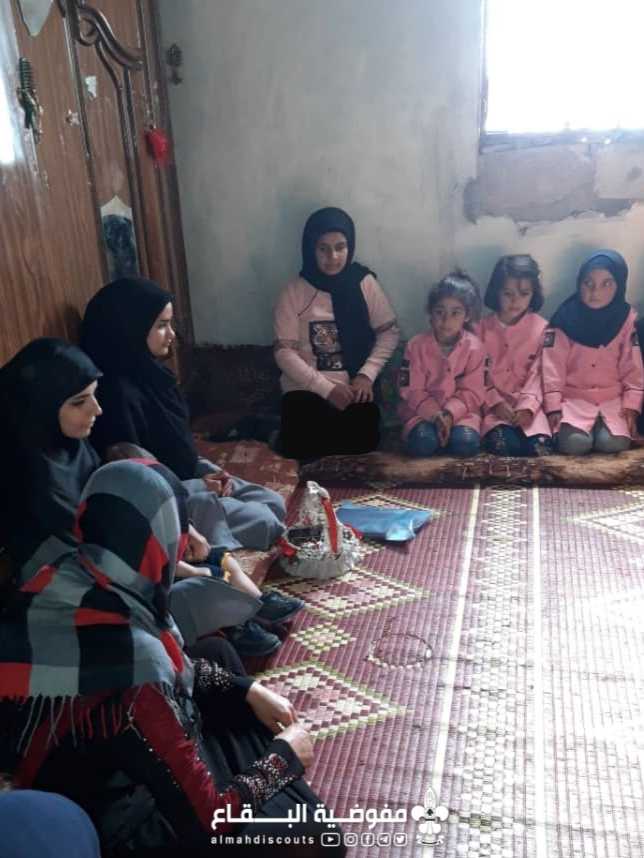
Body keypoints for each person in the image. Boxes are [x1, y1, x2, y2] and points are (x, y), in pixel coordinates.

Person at [0, 460, 343, 856]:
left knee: (217, 655)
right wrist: (284, 758)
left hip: (82, 770)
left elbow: (179, 671)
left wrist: (247, 689)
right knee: (319, 837)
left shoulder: (67, 572)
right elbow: (210, 820)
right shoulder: (136, 675)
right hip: (123, 826)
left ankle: (257, 776)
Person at [0, 338, 297, 657]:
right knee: (197, 580)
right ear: (41, 405)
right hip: (81, 588)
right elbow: (88, 564)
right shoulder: (29, 481)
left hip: (118, 556)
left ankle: (245, 610)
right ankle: (236, 618)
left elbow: (118, 504)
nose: (97, 409)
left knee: (211, 556)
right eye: (79, 402)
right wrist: (181, 566)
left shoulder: (70, 448)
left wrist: (183, 532)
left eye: (94, 396)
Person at [81, 278, 290, 557]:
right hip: (167, 499)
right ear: (130, 328)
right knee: (266, 524)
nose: (172, 335)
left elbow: (179, 449)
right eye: (161, 326)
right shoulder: (115, 396)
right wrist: (199, 486)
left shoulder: (154, 375)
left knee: (273, 502)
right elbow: (138, 483)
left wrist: (208, 472)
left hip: (189, 476)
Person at [273, 206, 400, 459]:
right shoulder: (293, 291)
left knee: (365, 437)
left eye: (340, 247)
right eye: (323, 248)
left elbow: (389, 333)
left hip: (352, 388)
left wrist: (366, 375)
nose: (333, 257)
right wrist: (326, 389)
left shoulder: (364, 284)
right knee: (299, 441)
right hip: (307, 391)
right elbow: (284, 353)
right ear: (310, 248)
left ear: (350, 246)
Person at [543, 250, 644, 455]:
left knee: (613, 444)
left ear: (619, 285)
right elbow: (552, 368)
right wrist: (553, 407)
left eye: (607, 284)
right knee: (575, 444)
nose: (595, 291)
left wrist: (632, 406)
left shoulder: (626, 320)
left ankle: (601, 427)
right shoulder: (564, 319)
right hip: (573, 401)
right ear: (579, 283)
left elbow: (633, 367)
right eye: (588, 283)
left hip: (612, 401)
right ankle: (586, 430)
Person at [398, 270, 485, 458]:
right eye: (440, 312)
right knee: (422, 443)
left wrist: (450, 414)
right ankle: (435, 437)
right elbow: (412, 390)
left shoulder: (475, 348)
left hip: (462, 415)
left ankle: (448, 436)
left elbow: (473, 391)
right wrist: (436, 415)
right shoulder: (415, 346)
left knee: (465, 445)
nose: (446, 320)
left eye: (456, 313)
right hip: (421, 412)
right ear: (431, 313)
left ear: (467, 316)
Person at [478, 254, 552, 456]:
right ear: (496, 292)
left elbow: (540, 373)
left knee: (539, 448)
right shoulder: (480, 330)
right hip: (495, 408)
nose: (515, 300)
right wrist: (494, 402)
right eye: (508, 293)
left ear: (533, 294)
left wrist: (528, 406)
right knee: (505, 446)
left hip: (530, 409)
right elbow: (476, 373)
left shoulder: (543, 329)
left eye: (524, 293)